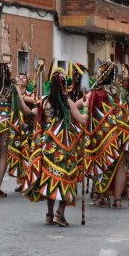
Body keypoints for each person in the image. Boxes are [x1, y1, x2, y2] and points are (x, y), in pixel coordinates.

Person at [24, 68, 88, 226]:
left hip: (47, 146)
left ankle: (49, 214)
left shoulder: (43, 101)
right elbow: (82, 120)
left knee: (50, 180)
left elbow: (37, 120)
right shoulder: (67, 102)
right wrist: (87, 108)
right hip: (65, 148)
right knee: (66, 179)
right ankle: (60, 213)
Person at [81, 60, 129, 209]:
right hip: (124, 132)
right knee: (121, 166)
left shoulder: (96, 93)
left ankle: (104, 198)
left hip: (104, 134)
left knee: (103, 164)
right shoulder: (122, 92)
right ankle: (118, 200)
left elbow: (81, 105)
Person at [0, 62, 35, 199]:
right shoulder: (13, 88)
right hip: (5, 124)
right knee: (3, 156)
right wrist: (34, 113)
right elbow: (24, 109)